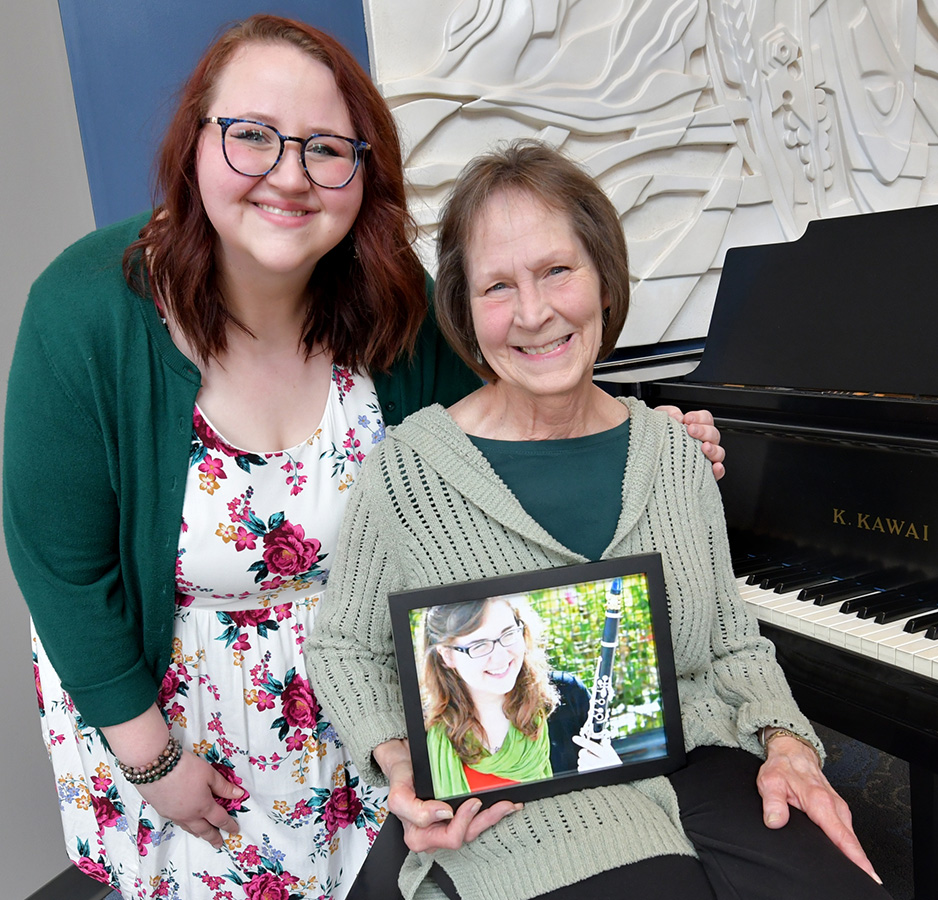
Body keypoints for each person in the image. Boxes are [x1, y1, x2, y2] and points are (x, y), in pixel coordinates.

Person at [3, 15, 725, 900]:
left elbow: (516, 398)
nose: (291, 175)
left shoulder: (392, 299)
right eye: (252, 137)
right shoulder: (85, 311)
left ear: (363, 171)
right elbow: (60, 568)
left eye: (326, 149)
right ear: (195, 143)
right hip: (181, 741)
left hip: (374, 717)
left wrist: (644, 437)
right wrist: (153, 762)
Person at [305, 140, 891, 900]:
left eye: (557, 270)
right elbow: (346, 647)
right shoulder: (408, 470)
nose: (534, 312)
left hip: (702, 756)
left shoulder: (672, 453)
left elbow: (730, 642)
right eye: (497, 286)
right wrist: (402, 764)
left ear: (603, 280)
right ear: (463, 308)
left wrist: (787, 744)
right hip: (519, 794)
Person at [421, 595, 605, 798]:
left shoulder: (568, 695)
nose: (501, 657)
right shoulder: (424, 732)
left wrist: (613, 775)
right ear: (447, 655)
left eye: (508, 634)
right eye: (479, 645)